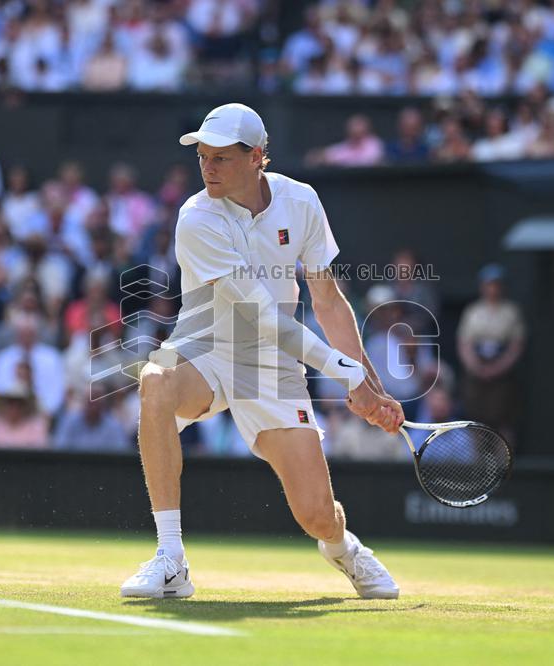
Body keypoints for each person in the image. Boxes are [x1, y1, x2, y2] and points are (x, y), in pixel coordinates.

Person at [119, 103, 404, 601]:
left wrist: (370, 385)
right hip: (198, 345)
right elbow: (261, 316)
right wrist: (344, 373)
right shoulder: (196, 217)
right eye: (203, 156)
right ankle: (171, 559)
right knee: (154, 376)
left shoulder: (302, 201)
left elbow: (328, 300)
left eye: (222, 158)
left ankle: (344, 549)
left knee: (317, 515)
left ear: (257, 158)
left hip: (272, 367)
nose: (208, 167)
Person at [457, 264, 525, 445]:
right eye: (489, 284)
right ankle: (477, 468)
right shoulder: (473, 312)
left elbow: (515, 346)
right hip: (476, 375)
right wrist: (476, 367)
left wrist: (497, 368)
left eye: (496, 284)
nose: (492, 289)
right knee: (476, 422)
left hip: (502, 376)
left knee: (503, 421)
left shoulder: (511, 312)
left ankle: (505, 466)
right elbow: (465, 344)